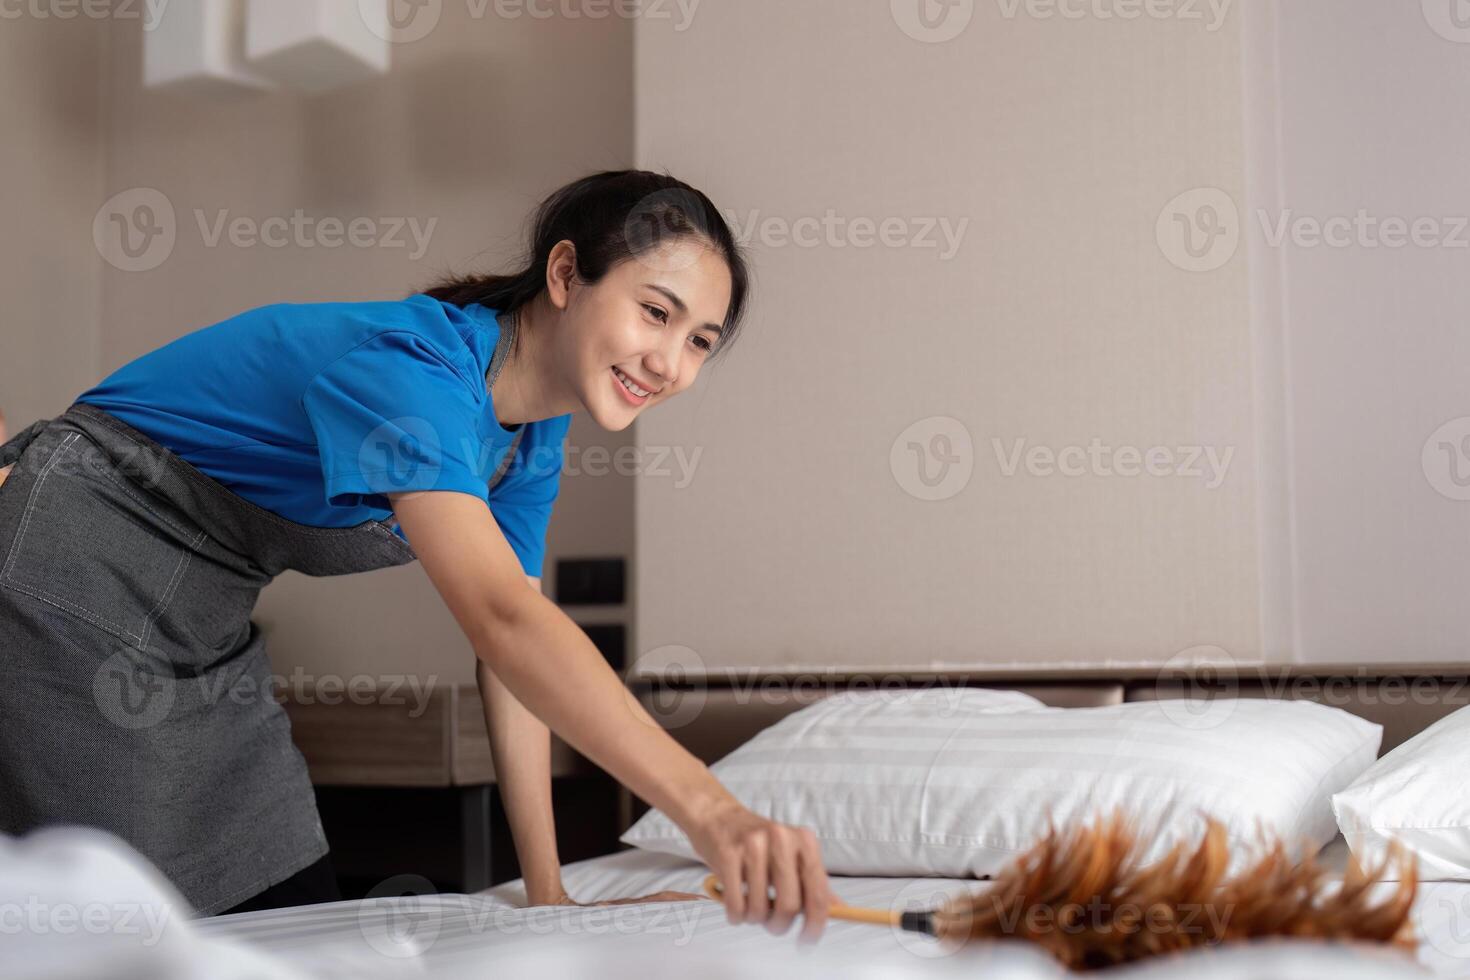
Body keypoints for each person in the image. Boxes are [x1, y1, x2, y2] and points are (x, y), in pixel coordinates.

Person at [0, 170, 834, 940]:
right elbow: (504, 620)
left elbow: (511, 656)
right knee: (121, 922)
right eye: (656, 312)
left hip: (201, 623)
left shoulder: (529, 440)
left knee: (283, 897)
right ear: (565, 274)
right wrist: (713, 812)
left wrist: (547, 893)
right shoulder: (420, 371)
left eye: (699, 342)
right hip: (81, 560)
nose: (669, 363)